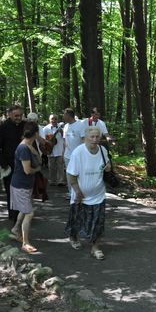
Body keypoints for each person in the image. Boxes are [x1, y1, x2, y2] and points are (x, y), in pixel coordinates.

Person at [64, 126, 111, 260]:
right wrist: (77, 191)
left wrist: (108, 168)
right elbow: (71, 175)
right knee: (77, 219)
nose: (95, 140)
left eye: (98, 137)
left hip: (98, 194)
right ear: (85, 138)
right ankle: (73, 237)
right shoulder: (78, 152)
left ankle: (95, 248)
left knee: (98, 222)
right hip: (81, 195)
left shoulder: (102, 150)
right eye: (92, 137)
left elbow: (107, 167)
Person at [10, 121, 43, 253]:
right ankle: (25, 243)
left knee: (24, 210)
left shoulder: (29, 145)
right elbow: (27, 170)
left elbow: (39, 159)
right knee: (29, 213)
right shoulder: (23, 148)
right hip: (20, 185)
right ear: (36, 133)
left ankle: (15, 230)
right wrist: (38, 169)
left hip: (26, 184)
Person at [0, 105, 25, 221]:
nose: (18, 118)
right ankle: (13, 216)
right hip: (9, 165)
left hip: (25, 165)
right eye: (16, 115)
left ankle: (23, 214)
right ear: (10, 115)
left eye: (20, 115)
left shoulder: (26, 127)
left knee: (24, 191)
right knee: (11, 191)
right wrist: (4, 164)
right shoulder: (3, 128)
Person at [63, 108, 87, 194]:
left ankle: (79, 192)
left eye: (64, 115)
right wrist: (63, 153)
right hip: (67, 155)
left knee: (78, 175)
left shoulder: (80, 125)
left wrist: (85, 154)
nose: (63, 117)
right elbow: (65, 140)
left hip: (78, 155)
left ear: (69, 116)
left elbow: (84, 140)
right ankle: (71, 193)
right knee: (69, 174)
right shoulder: (65, 126)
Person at [42, 114, 66, 186]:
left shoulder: (61, 127)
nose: (54, 120)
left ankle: (60, 181)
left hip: (59, 150)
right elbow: (43, 139)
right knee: (51, 167)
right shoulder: (46, 128)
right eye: (52, 119)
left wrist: (61, 132)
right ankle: (52, 180)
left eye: (55, 119)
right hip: (50, 150)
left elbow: (65, 137)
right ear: (49, 120)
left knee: (60, 166)